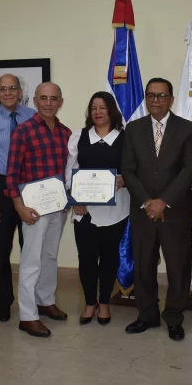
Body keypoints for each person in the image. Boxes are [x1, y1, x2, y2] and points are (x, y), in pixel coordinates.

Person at [121, 77, 192, 341]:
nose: (155, 101)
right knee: (143, 265)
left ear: (171, 99)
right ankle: (147, 315)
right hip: (142, 211)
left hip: (175, 211)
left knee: (178, 267)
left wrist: (163, 201)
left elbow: (189, 170)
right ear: (145, 98)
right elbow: (128, 170)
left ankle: (174, 318)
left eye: (161, 96)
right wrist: (147, 201)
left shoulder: (187, 129)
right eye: (151, 96)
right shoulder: (133, 129)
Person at [6, 82, 72, 337]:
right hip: (33, 209)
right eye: (43, 98)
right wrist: (18, 206)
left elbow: (68, 171)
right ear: (34, 100)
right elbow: (11, 174)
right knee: (31, 260)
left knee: (50, 257)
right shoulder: (23, 131)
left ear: (60, 102)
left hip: (58, 208)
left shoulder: (66, 133)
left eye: (53, 98)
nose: (48, 103)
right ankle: (27, 315)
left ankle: (45, 301)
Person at [65, 91, 130, 325]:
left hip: (116, 211)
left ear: (111, 110)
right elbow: (69, 171)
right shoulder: (78, 137)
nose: (98, 112)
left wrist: (125, 179)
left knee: (110, 258)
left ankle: (104, 303)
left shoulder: (126, 138)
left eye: (102, 107)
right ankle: (90, 302)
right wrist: (75, 199)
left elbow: (133, 169)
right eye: (93, 108)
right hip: (85, 211)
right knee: (87, 258)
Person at [0, 74, 36, 322]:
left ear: (20, 91)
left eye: (13, 88)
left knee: (30, 250)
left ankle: (30, 300)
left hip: (29, 187)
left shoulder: (33, 117)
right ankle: (4, 301)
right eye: (3, 89)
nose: (8, 92)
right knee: (1, 251)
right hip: (0, 188)